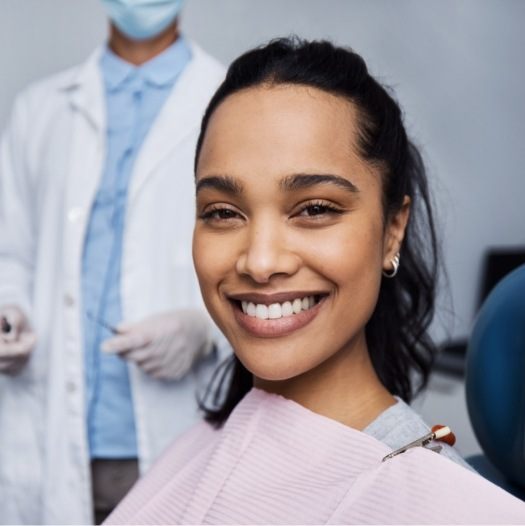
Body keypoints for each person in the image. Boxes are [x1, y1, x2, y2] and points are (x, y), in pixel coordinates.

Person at [106, 37, 525, 524]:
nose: (260, 263)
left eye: (315, 209)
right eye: (223, 212)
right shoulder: (199, 443)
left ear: (393, 230)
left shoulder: (448, 507)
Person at [0, 1, 227, 524]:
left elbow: (255, 252)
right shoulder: (40, 109)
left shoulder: (227, 101)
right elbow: (12, 253)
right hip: (53, 434)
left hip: (175, 435)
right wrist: (10, 314)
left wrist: (205, 329)